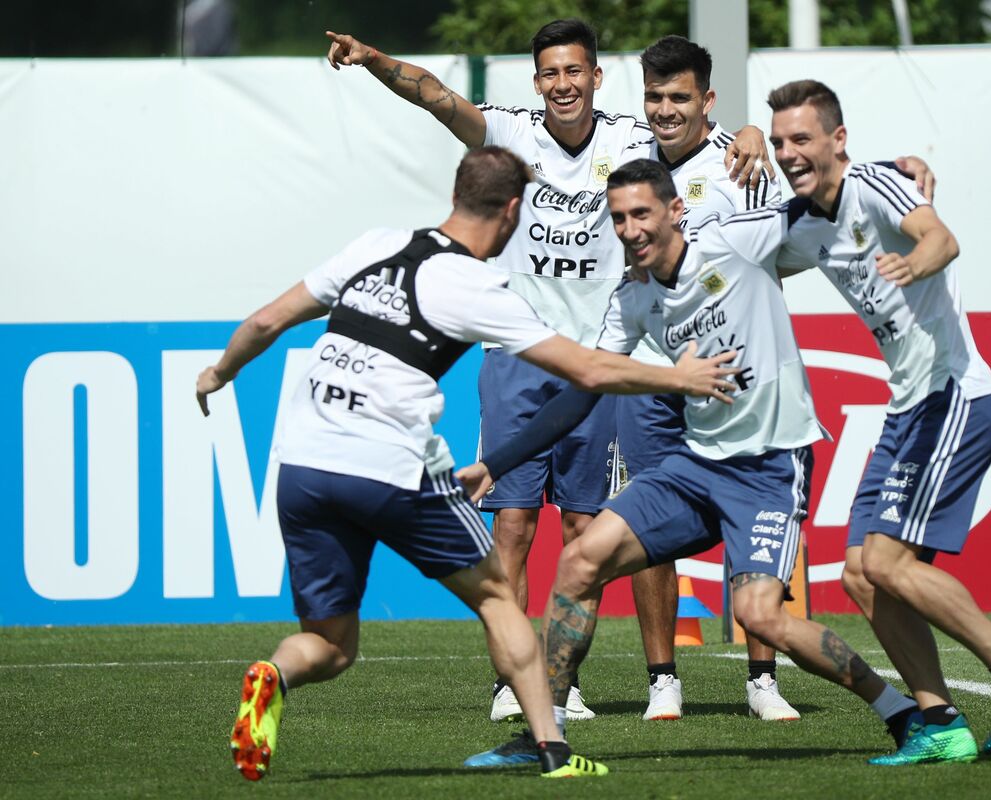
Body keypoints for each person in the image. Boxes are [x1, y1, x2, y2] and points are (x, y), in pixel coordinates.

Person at [195, 147, 737, 781]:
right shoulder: (475, 285)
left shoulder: (375, 244)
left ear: (456, 194)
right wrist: (678, 377)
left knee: (331, 644)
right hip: (388, 464)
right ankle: (553, 753)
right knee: (498, 598)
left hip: (303, 462)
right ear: (511, 212)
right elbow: (588, 371)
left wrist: (219, 372)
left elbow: (266, 320)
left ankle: (275, 673)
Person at [325, 20, 773, 724]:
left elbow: (695, 134)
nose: (563, 84)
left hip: (597, 358)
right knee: (513, 524)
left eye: (575, 71)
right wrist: (375, 58)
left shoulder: (631, 139)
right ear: (537, 82)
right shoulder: (511, 132)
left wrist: (751, 134)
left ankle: (569, 684)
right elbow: (436, 96)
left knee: (586, 526)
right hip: (517, 353)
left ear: (596, 77)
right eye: (550, 73)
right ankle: (512, 682)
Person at [457, 158, 921, 764]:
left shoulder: (734, 241)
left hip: (767, 466)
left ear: (676, 210)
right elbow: (584, 389)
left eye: (642, 214)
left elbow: (819, 196)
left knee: (759, 614)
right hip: (696, 465)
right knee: (580, 559)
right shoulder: (634, 297)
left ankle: (902, 713)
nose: (630, 230)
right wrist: (498, 462)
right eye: (619, 219)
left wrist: (895, 172)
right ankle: (546, 735)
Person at [619, 36, 939, 724]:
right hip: (657, 368)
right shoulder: (627, 159)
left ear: (707, 101)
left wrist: (894, 167)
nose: (665, 109)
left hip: (740, 374)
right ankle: (662, 680)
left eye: (679, 97)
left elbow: (810, 200)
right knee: (644, 526)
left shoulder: (744, 158)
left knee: (756, 522)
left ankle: (762, 678)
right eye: (654, 97)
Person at [768, 79, 991, 764]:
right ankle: (941, 721)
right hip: (907, 406)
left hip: (953, 396)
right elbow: (741, 253)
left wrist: (911, 262)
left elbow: (942, 239)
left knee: (887, 563)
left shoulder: (878, 185)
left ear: (838, 139)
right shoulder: (803, 222)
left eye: (801, 138)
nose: (787, 153)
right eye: (778, 141)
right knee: (860, 574)